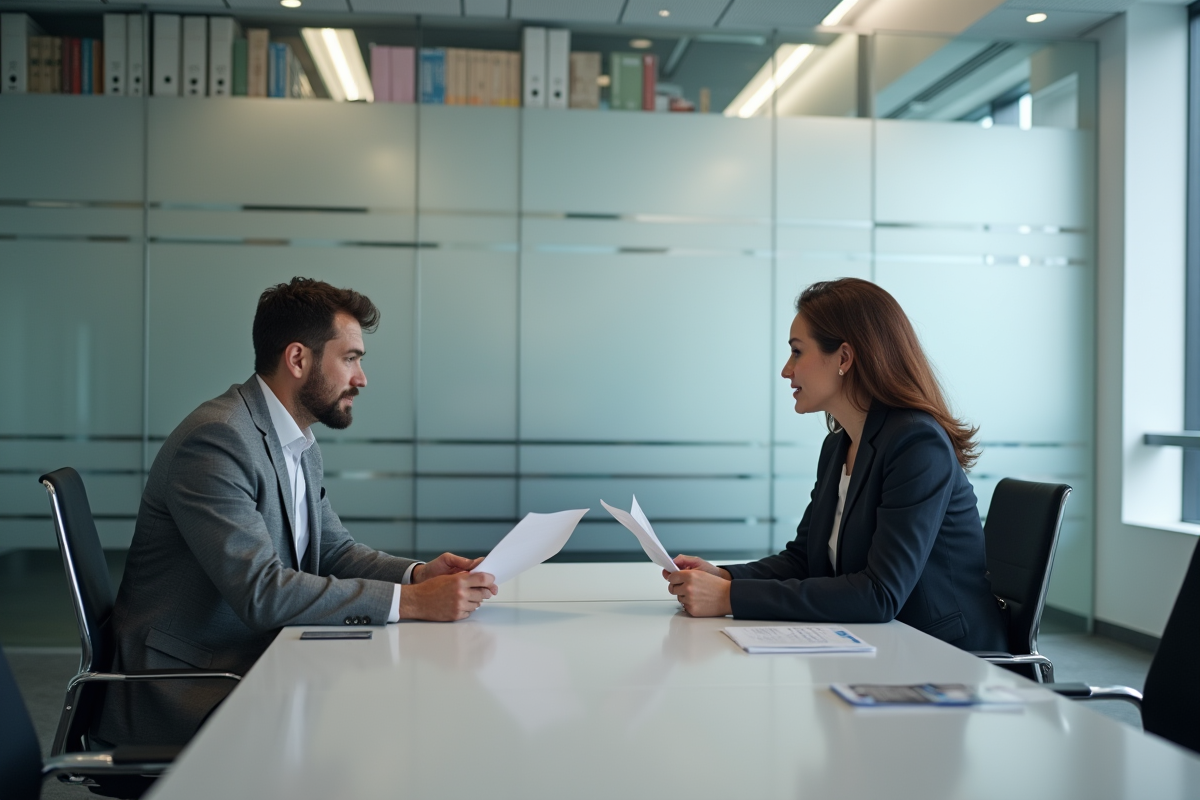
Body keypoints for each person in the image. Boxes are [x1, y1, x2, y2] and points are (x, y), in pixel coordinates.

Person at [97, 277, 498, 746]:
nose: (361, 378)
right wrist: (410, 604)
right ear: (298, 359)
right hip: (191, 686)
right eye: (350, 358)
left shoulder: (296, 440)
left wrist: (416, 575)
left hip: (255, 658)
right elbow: (262, 592)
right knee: (393, 727)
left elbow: (334, 550)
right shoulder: (217, 442)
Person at [665, 278, 1006, 651]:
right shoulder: (838, 446)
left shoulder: (917, 444)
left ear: (844, 358)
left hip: (942, 656)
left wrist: (730, 597)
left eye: (797, 352)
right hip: (874, 643)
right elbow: (804, 559)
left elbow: (879, 594)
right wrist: (725, 576)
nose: (786, 370)